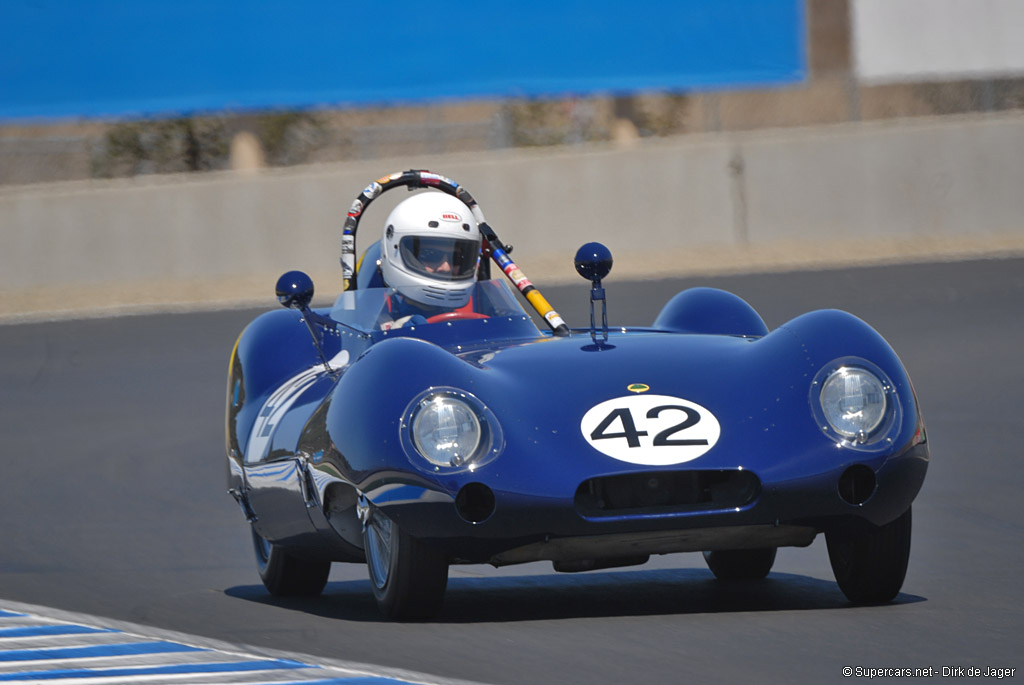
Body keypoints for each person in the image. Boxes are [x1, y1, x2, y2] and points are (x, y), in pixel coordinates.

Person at [375, 191, 483, 329]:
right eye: (432, 255)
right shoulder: (373, 322)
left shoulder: (482, 309)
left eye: (457, 258)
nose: (446, 267)